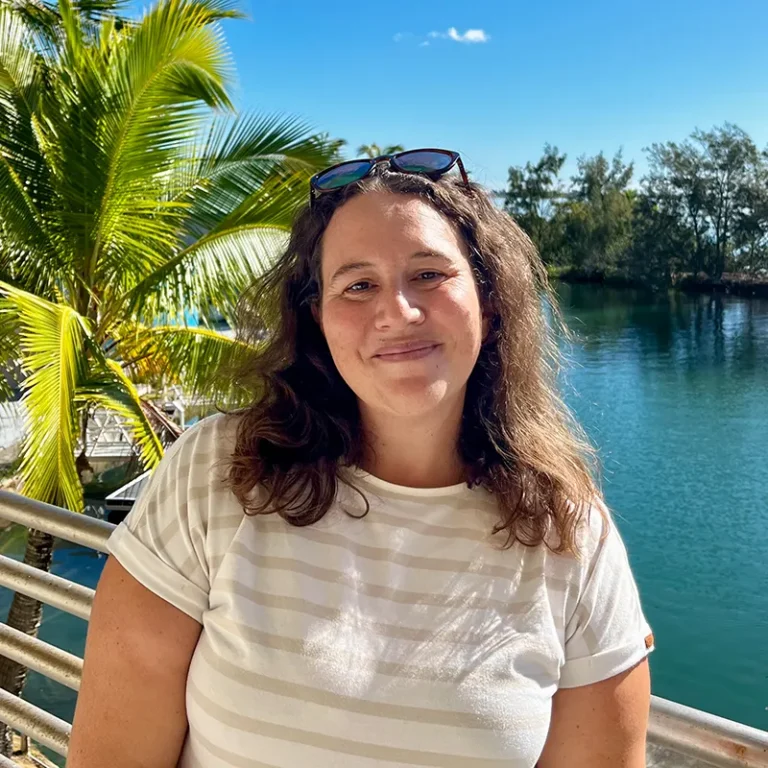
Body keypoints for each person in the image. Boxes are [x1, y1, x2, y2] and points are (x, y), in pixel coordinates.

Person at [68, 149, 654, 767]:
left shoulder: (569, 534)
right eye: (358, 285)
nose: (397, 312)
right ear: (319, 319)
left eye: (429, 274)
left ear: (487, 299)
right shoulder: (217, 473)